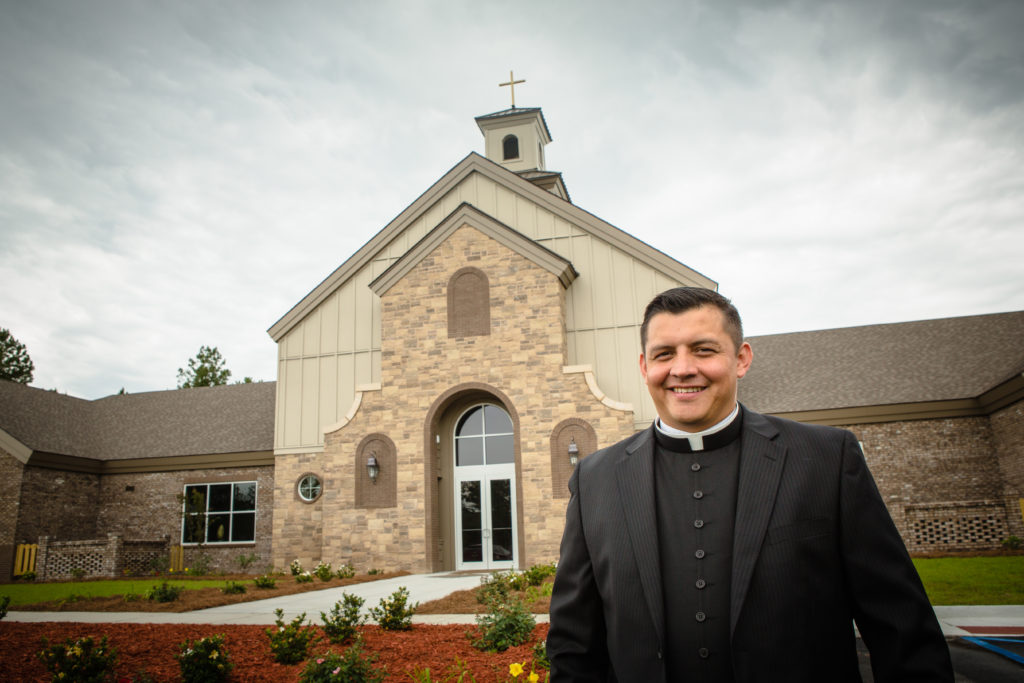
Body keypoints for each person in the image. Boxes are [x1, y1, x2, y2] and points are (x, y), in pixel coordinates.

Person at [546, 287, 953, 682]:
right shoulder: (595, 478)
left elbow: (900, 625)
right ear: (643, 367)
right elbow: (575, 642)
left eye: (703, 350)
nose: (683, 368)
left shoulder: (826, 459)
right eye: (664, 354)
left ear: (741, 359)